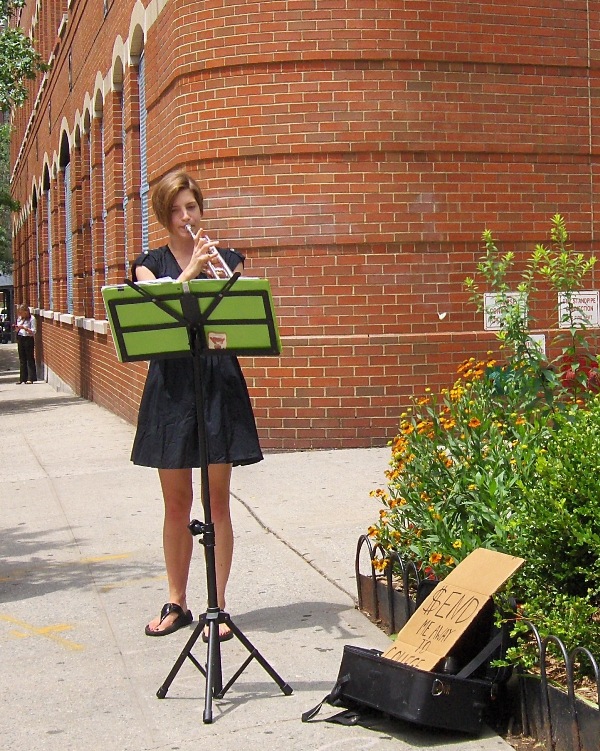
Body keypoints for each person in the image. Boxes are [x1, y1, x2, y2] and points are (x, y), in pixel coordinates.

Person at [132, 171, 263, 639]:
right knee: (176, 503)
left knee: (217, 503)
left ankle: (218, 605)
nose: (186, 217)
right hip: (171, 388)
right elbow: (153, 313)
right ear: (163, 216)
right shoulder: (147, 265)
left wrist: (214, 273)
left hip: (216, 384)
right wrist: (188, 273)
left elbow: (235, 327)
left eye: (191, 207)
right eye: (176, 209)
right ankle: (176, 601)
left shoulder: (227, 261)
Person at [15, 304, 37, 384]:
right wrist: (17, 328)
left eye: (22, 313)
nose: (20, 314)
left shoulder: (32, 319)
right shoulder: (20, 318)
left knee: (29, 358)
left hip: (28, 338)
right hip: (21, 338)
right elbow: (18, 329)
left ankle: (31, 378)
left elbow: (34, 331)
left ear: (26, 312)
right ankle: (22, 378)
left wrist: (25, 328)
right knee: (22, 359)